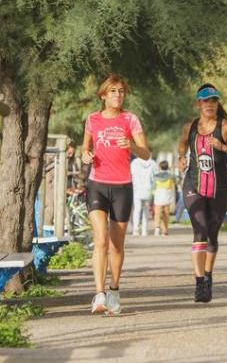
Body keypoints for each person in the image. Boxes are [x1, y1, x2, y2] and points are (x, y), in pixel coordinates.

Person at [81, 73, 150, 315]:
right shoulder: (92, 119)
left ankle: (114, 291)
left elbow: (146, 154)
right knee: (100, 239)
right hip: (97, 184)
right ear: (103, 95)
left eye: (121, 91)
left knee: (117, 244)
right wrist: (84, 155)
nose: (118, 95)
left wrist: (131, 146)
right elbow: (85, 147)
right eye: (113, 91)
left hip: (123, 186)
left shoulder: (131, 120)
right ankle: (99, 294)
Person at [178, 84, 227, 303]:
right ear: (198, 103)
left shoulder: (225, 127)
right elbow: (181, 146)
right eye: (206, 101)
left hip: (218, 188)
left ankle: (208, 276)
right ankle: (199, 283)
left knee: (212, 236)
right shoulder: (189, 127)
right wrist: (182, 158)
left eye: (214, 101)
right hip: (193, 185)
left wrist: (222, 147)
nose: (210, 105)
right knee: (200, 231)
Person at [130, 156, 157, 237]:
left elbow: (131, 175)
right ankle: (144, 230)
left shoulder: (134, 163)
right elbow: (155, 177)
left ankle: (136, 230)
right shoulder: (152, 163)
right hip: (148, 190)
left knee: (137, 210)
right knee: (146, 210)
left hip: (137, 189)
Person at [153, 160, 176, 236]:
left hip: (158, 197)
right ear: (167, 167)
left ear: (160, 167)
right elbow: (175, 182)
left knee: (157, 214)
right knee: (166, 215)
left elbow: (153, 186)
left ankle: (157, 228)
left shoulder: (156, 176)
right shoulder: (171, 176)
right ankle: (165, 231)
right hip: (167, 196)